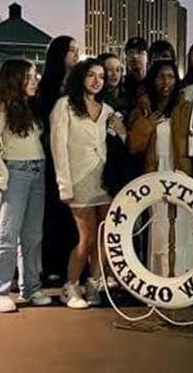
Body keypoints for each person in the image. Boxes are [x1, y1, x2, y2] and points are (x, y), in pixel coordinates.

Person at [50, 58, 126, 309]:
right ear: (81, 77)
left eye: (101, 76)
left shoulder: (106, 109)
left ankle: (94, 282)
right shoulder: (65, 107)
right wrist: (64, 184)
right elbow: (58, 147)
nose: (97, 81)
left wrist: (122, 130)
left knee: (104, 237)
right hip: (78, 181)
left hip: (105, 182)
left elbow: (119, 141)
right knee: (87, 238)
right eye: (91, 75)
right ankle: (71, 286)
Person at [0, 60, 51, 312]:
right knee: (8, 235)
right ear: (15, 79)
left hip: (37, 170)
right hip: (17, 172)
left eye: (34, 76)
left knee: (32, 235)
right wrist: (2, 174)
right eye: (29, 76)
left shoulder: (29, 106)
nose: (34, 80)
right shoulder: (1, 108)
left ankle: (30, 287)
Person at [128, 59, 193, 277]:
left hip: (182, 172)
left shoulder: (186, 108)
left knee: (185, 229)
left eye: (171, 77)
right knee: (160, 229)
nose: (166, 82)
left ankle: (185, 275)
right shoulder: (144, 108)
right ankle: (161, 276)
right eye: (161, 76)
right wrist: (147, 124)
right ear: (153, 79)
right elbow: (134, 146)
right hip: (156, 173)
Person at [36, 35, 80, 286]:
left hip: (76, 157)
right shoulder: (48, 87)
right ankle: (52, 267)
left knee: (74, 213)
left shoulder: (77, 85)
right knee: (53, 213)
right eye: (71, 50)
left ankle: (73, 266)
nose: (75, 55)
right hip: (52, 157)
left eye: (77, 50)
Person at [122, 37, 148, 106]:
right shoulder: (122, 85)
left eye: (139, 52)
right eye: (130, 53)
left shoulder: (155, 81)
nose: (135, 56)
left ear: (147, 57)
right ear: (126, 59)